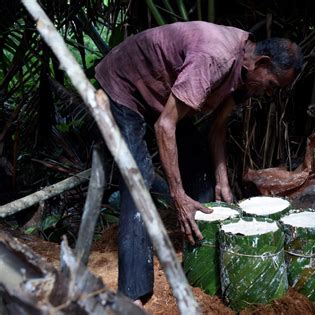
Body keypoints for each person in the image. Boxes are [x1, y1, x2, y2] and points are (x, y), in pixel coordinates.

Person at [95, 20, 303, 305]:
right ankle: (133, 293)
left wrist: (222, 180)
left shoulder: (246, 75)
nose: (269, 94)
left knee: (202, 171)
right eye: (272, 85)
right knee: (137, 180)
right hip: (125, 85)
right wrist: (178, 196)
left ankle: (202, 259)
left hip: (164, 96)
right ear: (263, 63)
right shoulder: (214, 58)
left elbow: (216, 129)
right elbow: (164, 127)